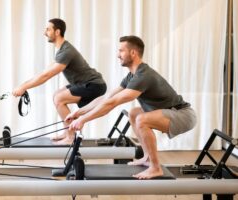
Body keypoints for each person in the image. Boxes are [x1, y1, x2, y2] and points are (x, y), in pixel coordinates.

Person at [66, 35, 197, 179]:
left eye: (121, 51)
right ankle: (147, 158)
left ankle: (155, 168)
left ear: (133, 53)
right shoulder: (132, 76)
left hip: (183, 114)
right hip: (172, 111)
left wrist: (83, 120)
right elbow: (107, 97)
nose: (118, 55)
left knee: (142, 119)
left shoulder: (143, 75)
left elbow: (111, 104)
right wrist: (79, 112)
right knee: (134, 113)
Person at [13, 18, 107, 144]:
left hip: (94, 85)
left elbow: (46, 76)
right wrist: (23, 85)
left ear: (57, 32)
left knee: (60, 99)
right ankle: (67, 132)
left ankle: (71, 137)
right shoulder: (62, 50)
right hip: (84, 83)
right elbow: (43, 72)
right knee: (57, 95)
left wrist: (24, 87)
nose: (44, 32)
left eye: (48, 29)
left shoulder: (66, 51)